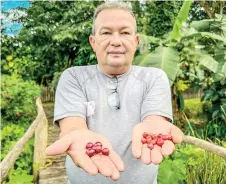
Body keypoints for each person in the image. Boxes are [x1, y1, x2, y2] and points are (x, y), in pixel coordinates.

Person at [45, 2, 184, 184]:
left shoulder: (154, 77)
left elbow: (155, 120)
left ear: (136, 41)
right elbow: (72, 125)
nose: (116, 41)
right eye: (106, 32)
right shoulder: (73, 77)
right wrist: (76, 134)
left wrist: (155, 129)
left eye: (125, 33)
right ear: (93, 42)